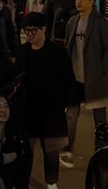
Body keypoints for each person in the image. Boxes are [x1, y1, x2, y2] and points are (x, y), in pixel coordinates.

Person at [15, 13, 73, 188]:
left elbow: (69, 80)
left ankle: (52, 183)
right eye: (27, 30)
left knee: (51, 152)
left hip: (51, 111)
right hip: (27, 111)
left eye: (33, 30)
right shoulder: (22, 51)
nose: (30, 34)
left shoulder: (58, 52)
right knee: (26, 152)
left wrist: (62, 104)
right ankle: (23, 182)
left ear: (44, 30)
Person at [61, 0, 108, 169]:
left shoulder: (101, 23)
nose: (79, 2)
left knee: (99, 119)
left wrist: (102, 69)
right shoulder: (72, 22)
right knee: (70, 115)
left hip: (95, 78)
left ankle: (100, 153)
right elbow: (67, 47)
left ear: (92, 1)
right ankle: (67, 149)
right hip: (74, 78)